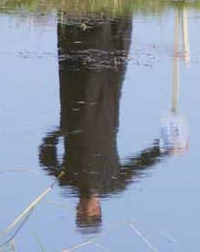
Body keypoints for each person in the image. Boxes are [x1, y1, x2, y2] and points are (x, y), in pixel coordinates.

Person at [39, 13, 169, 232]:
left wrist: (58, 132)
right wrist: (164, 148)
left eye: (80, 213)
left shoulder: (67, 180)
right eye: (87, 212)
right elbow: (141, 164)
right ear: (98, 210)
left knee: (79, 67)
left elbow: (44, 156)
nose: (82, 208)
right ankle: (109, 15)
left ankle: (80, 15)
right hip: (106, 107)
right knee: (105, 66)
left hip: (74, 107)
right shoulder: (114, 183)